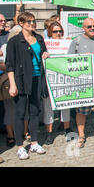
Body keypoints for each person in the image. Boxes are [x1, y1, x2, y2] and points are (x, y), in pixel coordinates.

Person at [6, 12, 50, 160]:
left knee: (34, 111)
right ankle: (19, 146)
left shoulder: (39, 38)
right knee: (20, 113)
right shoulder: (15, 41)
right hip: (21, 80)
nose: (32, 24)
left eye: (33, 21)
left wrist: (46, 53)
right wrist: (12, 84)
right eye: (29, 22)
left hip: (37, 78)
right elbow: (10, 65)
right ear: (21, 23)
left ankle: (34, 142)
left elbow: (44, 52)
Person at [67, 18, 94, 148]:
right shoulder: (76, 41)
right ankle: (81, 135)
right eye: (89, 27)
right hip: (83, 81)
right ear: (83, 28)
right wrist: (82, 58)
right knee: (82, 109)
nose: (92, 28)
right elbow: (69, 60)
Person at [42, 21, 73, 145]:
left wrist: (70, 43)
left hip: (64, 78)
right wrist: (44, 55)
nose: (58, 33)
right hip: (49, 79)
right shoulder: (45, 44)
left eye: (60, 31)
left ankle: (67, 128)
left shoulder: (67, 43)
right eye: (55, 31)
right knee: (48, 107)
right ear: (50, 32)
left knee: (65, 104)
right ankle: (49, 133)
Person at [1, 25, 22, 149]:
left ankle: (23, 133)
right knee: (10, 109)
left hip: (23, 80)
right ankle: (10, 135)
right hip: (9, 81)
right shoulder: (5, 46)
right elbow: (2, 64)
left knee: (22, 109)